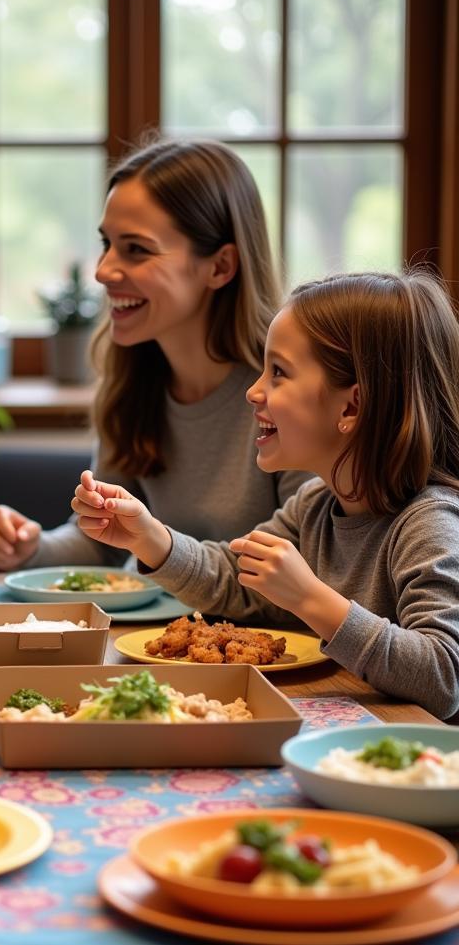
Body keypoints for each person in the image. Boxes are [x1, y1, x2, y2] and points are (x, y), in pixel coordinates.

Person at [72, 270, 459, 722]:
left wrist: (310, 599)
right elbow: (233, 577)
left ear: (350, 406)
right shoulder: (314, 506)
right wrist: (148, 537)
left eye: (279, 373)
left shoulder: (430, 522)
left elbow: (445, 676)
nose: (254, 391)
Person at [0, 138, 310, 571]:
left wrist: (161, 546)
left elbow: (307, 564)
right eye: (107, 244)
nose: (102, 271)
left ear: (220, 266)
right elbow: (104, 542)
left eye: (136, 249)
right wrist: (29, 548)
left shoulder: (291, 394)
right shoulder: (132, 381)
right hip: (154, 638)